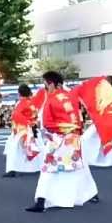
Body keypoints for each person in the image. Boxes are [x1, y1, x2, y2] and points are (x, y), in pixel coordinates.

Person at [25, 71, 99, 213]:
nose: (45, 87)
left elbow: (47, 123)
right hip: (74, 138)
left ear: (51, 83)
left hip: (58, 138)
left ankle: (41, 201)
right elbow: (79, 119)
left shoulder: (51, 99)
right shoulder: (71, 97)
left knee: (48, 169)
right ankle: (92, 194)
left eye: (45, 84)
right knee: (79, 167)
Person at [3, 84, 43, 178]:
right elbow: (35, 115)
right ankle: (42, 167)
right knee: (38, 147)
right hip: (32, 128)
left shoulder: (22, 103)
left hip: (23, 129)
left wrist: (21, 125)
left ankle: (12, 170)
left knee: (14, 150)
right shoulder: (31, 102)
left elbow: (16, 116)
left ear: (19, 93)